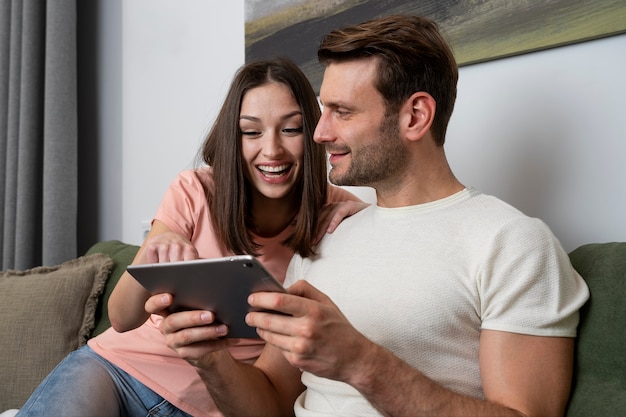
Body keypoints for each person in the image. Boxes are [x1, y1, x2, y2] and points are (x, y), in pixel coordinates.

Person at [147, 14, 591, 417]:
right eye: (323, 112)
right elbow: (269, 404)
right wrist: (210, 360)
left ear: (415, 116)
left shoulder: (511, 243)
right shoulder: (327, 235)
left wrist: (361, 362)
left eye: (342, 112)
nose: (320, 134)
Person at [16, 58, 365, 417]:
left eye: (290, 130)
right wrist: (153, 250)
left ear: (312, 134)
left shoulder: (336, 212)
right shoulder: (195, 190)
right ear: (233, 137)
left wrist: (366, 219)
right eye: (251, 132)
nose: (272, 150)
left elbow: (394, 229)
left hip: (213, 401)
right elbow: (121, 318)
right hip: (116, 369)